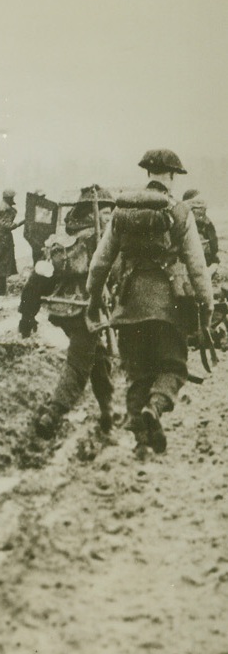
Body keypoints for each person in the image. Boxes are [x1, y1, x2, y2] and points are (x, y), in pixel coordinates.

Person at [86, 149, 213, 457]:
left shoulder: (122, 210)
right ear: (171, 175)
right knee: (174, 367)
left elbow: (100, 262)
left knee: (138, 374)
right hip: (167, 308)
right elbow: (197, 267)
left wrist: (93, 297)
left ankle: (143, 443)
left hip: (128, 306)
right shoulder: (179, 211)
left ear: (148, 174)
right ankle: (154, 409)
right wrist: (207, 309)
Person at [19, 185, 117, 437]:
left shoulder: (65, 241)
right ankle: (51, 415)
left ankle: (107, 411)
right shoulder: (93, 241)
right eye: (106, 213)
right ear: (92, 213)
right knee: (79, 364)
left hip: (66, 312)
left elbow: (40, 275)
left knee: (99, 357)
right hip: (86, 312)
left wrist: (27, 313)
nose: (109, 218)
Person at [0, 189, 24, 295]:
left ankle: (0, 289)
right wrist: (21, 223)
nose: (13, 200)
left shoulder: (0, 206)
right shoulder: (5, 208)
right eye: (12, 198)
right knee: (2, 261)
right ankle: (0, 290)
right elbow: (6, 224)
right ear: (8, 198)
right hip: (3, 237)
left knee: (0, 260)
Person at [182, 188, 220, 269]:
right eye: (197, 206)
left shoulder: (207, 223)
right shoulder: (183, 223)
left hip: (205, 265)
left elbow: (214, 248)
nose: (201, 210)